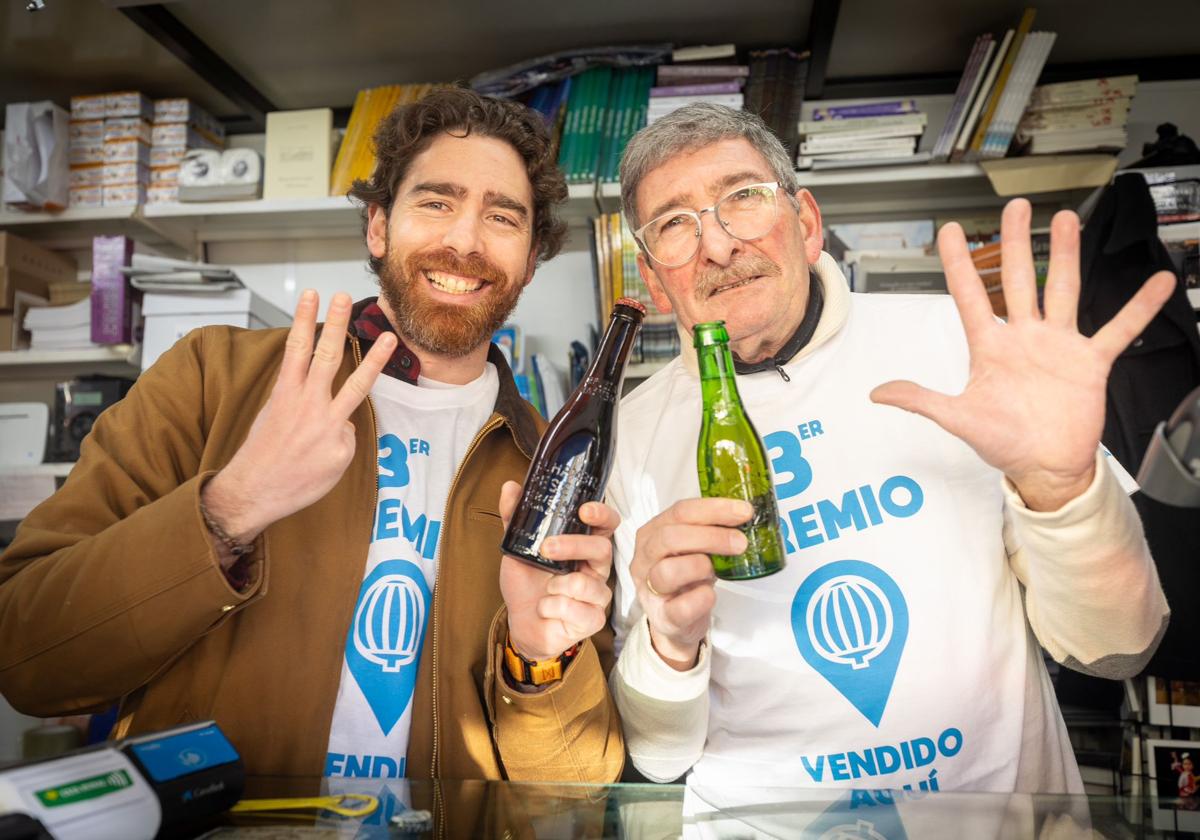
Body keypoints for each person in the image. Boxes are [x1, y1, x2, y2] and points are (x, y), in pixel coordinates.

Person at [0, 88, 623, 783]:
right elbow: (27, 659)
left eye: (502, 217)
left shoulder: (551, 466)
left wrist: (538, 661)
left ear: (532, 258)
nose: (466, 241)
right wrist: (229, 508)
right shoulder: (212, 377)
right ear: (378, 226)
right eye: (436, 202)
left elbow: (571, 789)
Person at [605, 103, 1173, 794]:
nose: (718, 246)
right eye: (674, 224)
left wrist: (1063, 488)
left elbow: (1118, 648)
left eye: (743, 199)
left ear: (807, 224)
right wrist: (668, 644)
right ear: (655, 278)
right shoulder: (628, 438)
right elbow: (659, 758)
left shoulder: (961, 346)